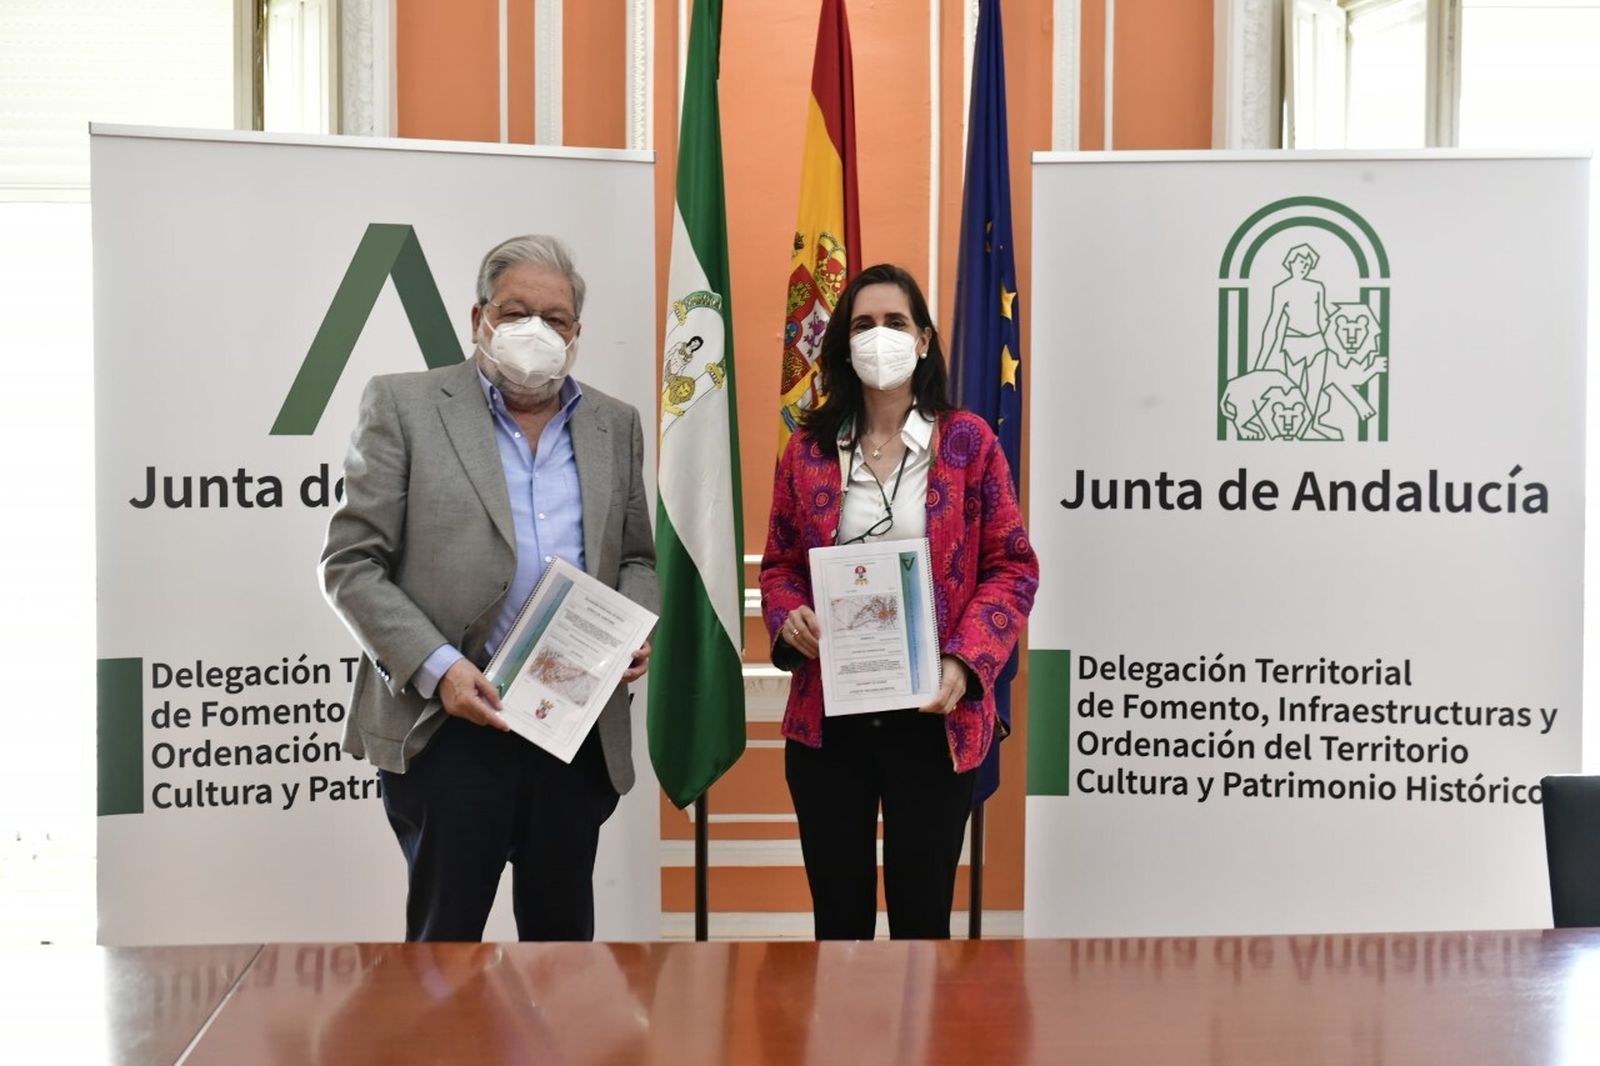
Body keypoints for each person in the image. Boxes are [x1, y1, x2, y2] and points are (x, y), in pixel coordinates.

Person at [320, 234, 658, 942]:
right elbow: (351, 563)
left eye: (555, 318)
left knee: (563, 954)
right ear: (479, 318)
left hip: (572, 729)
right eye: (515, 311)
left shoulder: (614, 423)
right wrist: (441, 671)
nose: (536, 330)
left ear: (576, 335)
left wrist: (634, 626)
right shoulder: (405, 405)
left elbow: (638, 560)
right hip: (449, 729)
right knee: (444, 957)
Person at [760, 263, 1039, 940]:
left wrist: (965, 664)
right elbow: (779, 567)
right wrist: (789, 616)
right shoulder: (807, 449)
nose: (878, 337)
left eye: (894, 323)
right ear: (842, 344)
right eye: (862, 325)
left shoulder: (969, 443)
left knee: (922, 924)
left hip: (932, 717)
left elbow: (1012, 566)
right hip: (832, 722)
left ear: (923, 341)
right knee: (839, 923)